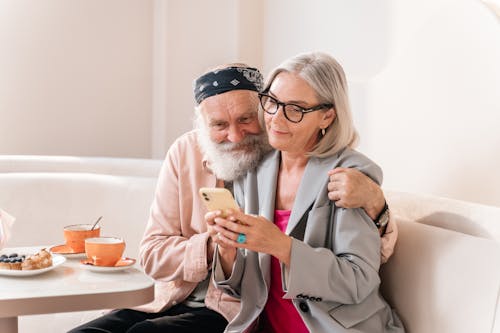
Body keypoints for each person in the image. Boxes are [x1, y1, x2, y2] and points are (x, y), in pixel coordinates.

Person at [69, 63, 396, 333]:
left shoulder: (277, 148)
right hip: (172, 296)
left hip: (230, 309)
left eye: (245, 119)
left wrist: (376, 203)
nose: (236, 136)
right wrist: (215, 245)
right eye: (219, 125)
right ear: (202, 126)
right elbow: (153, 254)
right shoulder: (187, 153)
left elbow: (367, 258)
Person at [208, 52, 404, 332]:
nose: (276, 119)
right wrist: (227, 250)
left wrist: (281, 246)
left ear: (327, 116)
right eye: (272, 102)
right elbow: (243, 292)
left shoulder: (350, 175)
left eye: (295, 109)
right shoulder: (252, 170)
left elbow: (358, 282)